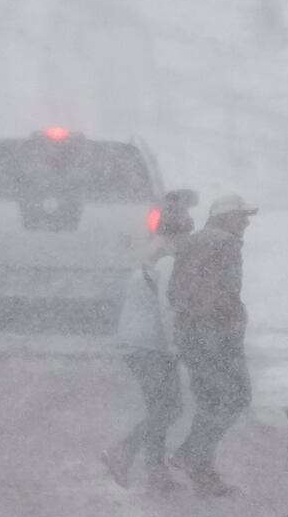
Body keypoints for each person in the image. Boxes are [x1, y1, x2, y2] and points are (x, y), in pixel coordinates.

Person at [106, 193, 197, 489]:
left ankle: (157, 473)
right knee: (169, 408)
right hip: (152, 345)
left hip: (136, 341)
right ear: (180, 233)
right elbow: (167, 307)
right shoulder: (169, 260)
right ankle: (122, 451)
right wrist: (174, 346)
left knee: (160, 407)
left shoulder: (149, 254)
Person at [169, 195, 255, 492]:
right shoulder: (226, 244)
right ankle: (193, 457)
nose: (246, 222)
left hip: (191, 332)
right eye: (241, 216)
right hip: (215, 334)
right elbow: (224, 294)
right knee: (235, 395)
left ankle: (198, 467)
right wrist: (222, 334)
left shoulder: (193, 242)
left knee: (211, 399)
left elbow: (176, 290)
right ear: (226, 218)